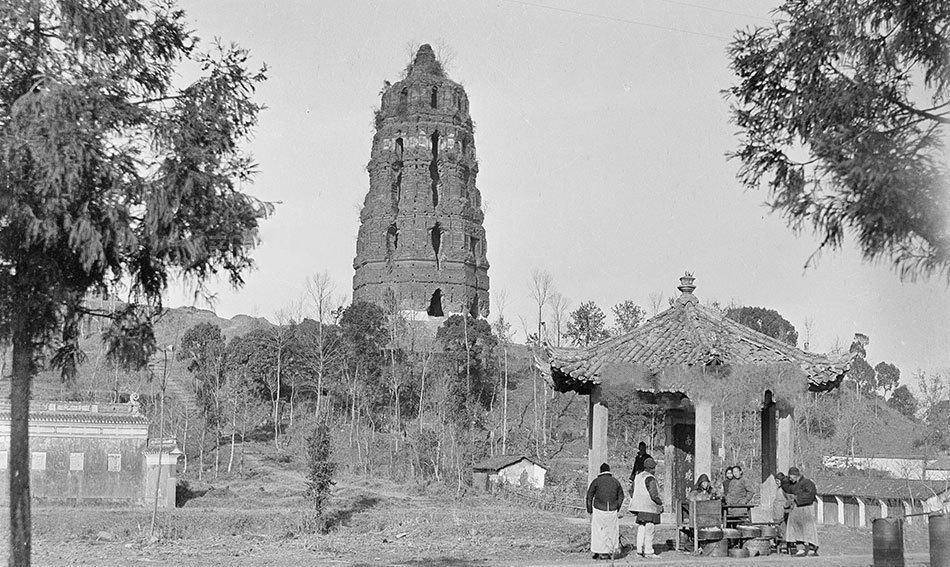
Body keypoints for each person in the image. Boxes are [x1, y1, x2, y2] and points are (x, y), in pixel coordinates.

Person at [586, 462, 625, 560]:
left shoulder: (596, 481)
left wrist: (589, 510)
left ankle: (599, 552)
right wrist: (617, 506)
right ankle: (609, 551)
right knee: (611, 531)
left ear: (601, 471)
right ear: (609, 471)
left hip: (599, 509)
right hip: (612, 509)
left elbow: (589, 496)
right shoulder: (615, 481)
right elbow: (621, 495)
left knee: (598, 531)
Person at [629, 457, 664, 558]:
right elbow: (654, 495)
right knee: (650, 529)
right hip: (649, 508)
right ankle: (649, 551)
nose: (655, 470)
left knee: (641, 528)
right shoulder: (650, 478)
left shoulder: (638, 476)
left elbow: (631, 491)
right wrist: (660, 503)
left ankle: (639, 551)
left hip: (639, 508)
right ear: (652, 468)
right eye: (654, 468)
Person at [782, 467, 819, 556]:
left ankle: (812, 549)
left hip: (806, 508)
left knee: (809, 528)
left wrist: (797, 498)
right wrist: (785, 479)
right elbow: (786, 487)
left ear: (795, 476)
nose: (790, 479)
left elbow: (810, 494)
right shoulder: (792, 484)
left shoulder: (808, 483)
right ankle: (800, 549)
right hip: (796, 509)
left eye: (790, 477)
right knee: (796, 528)